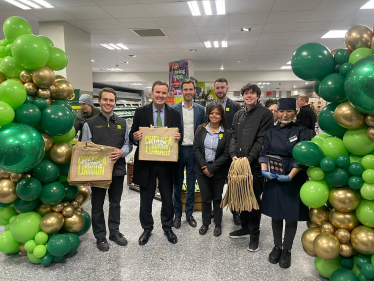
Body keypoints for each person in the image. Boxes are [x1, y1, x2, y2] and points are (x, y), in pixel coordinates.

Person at [259, 98, 311, 269]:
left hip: (293, 179)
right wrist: (264, 170)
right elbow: (264, 152)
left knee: (290, 216)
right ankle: (276, 246)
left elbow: (302, 157)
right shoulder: (271, 132)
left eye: (289, 111)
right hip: (273, 177)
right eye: (281, 111)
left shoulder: (302, 131)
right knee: (276, 214)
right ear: (277, 112)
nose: (284, 115)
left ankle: (287, 249)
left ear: (295, 112)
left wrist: (290, 175)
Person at [129, 80, 183, 246]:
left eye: (163, 93)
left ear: (168, 95)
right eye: (157, 92)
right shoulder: (140, 112)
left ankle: (167, 227)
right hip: (146, 164)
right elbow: (132, 134)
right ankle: (147, 228)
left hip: (167, 164)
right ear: (151, 94)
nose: (160, 96)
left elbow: (179, 139)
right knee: (146, 198)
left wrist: (178, 138)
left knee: (168, 198)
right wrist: (135, 137)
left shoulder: (175, 114)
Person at [81, 87, 132, 252]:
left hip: (117, 169)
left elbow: (128, 144)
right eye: (105, 100)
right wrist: (86, 174)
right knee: (97, 204)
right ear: (99, 101)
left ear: (115, 103)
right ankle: (100, 236)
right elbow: (84, 149)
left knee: (115, 203)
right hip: (97, 172)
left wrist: (122, 152)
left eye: (111, 100)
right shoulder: (90, 124)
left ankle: (114, 233)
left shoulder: (123, 123)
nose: (108, 103)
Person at [228, 83, 273, 252]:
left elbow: (262, 139)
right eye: (246, 93)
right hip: (237, 163)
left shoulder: (265, 114)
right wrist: (233, 153)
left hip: (253, 165)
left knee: (253, 200)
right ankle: (245, 228)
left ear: (257, 96)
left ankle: (255, 236)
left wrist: (249, 159)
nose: (249, 96)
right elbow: (233, 135)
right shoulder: (239, 114)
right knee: (240, 198)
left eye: (252, 93)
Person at [206, 77, 241, 225]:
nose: (220, 90)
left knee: (233, 182)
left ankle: (235, 211)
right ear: (214, 90)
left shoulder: (236, 107)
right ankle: (217, 208)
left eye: (222, 87)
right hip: (215, 152)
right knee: (216, 183)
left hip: (232, 150)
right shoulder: (209, 106)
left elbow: (239, 128)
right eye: (217, 88)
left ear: (227, 89)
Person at [171, 79, 205, 229]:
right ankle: (177, 215)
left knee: (191, 185)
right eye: (185, 89)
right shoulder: (173, 109)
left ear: (194, 91)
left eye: (191, 89)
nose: (188, 92)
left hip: (193, 151)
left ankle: (189, 214)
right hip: (178, 151)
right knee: (177, 185)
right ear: (181, 91)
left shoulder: (200, 109)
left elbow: (203, 130)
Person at [193, 104, 230, 237]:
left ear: (221, 116)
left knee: (217, 198)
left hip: (218, 171)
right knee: (205, 198)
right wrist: (205, 167)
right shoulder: (201, 129)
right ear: (208, 114)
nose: (214, 115)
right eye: (211, 113)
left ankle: (218, 224)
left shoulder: (226, 132)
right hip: (202, 170)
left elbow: (226, 154)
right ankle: (205, 223)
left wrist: (212, 168)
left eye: (217, 113)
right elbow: (196, 148)